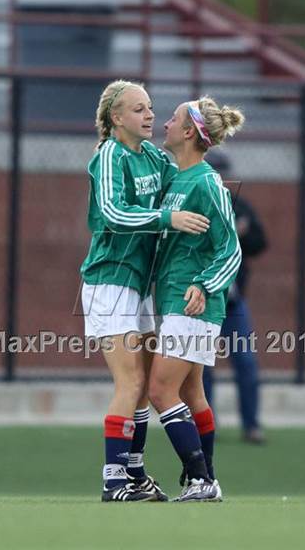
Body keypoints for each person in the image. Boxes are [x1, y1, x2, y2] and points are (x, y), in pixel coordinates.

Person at [80, 80, 211, 502]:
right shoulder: (108, 156)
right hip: (109, 280)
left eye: (151, 107)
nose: (150, 115)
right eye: (138, 109)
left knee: (147, 382)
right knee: (132, 381)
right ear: (116, 118)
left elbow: (187, 181)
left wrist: (213, 196)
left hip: (140, 284)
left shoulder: (154, 155)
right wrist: (167, 218)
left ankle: (134, 476)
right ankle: (114, 480)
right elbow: (113, 213)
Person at [148, 96, 244, 502]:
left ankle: (202, 479)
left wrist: (204, 285)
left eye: (173, 118)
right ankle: (205, 481)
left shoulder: (206, 182)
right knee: (191, 394)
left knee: (159, 391)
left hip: (194, 303)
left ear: (189, 132)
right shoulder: (176, 177)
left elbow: (231, 249)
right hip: (174, 300)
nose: (164, 122)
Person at [202, 151, 268, 444]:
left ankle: (251, 424)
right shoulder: (197, 206)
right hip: (201, 301)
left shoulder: (240, 207)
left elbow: (260, 243)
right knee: (201, 368)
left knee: (245, 362)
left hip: (232, 302)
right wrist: (229, 232)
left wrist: (241, 234)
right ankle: (206, 426)